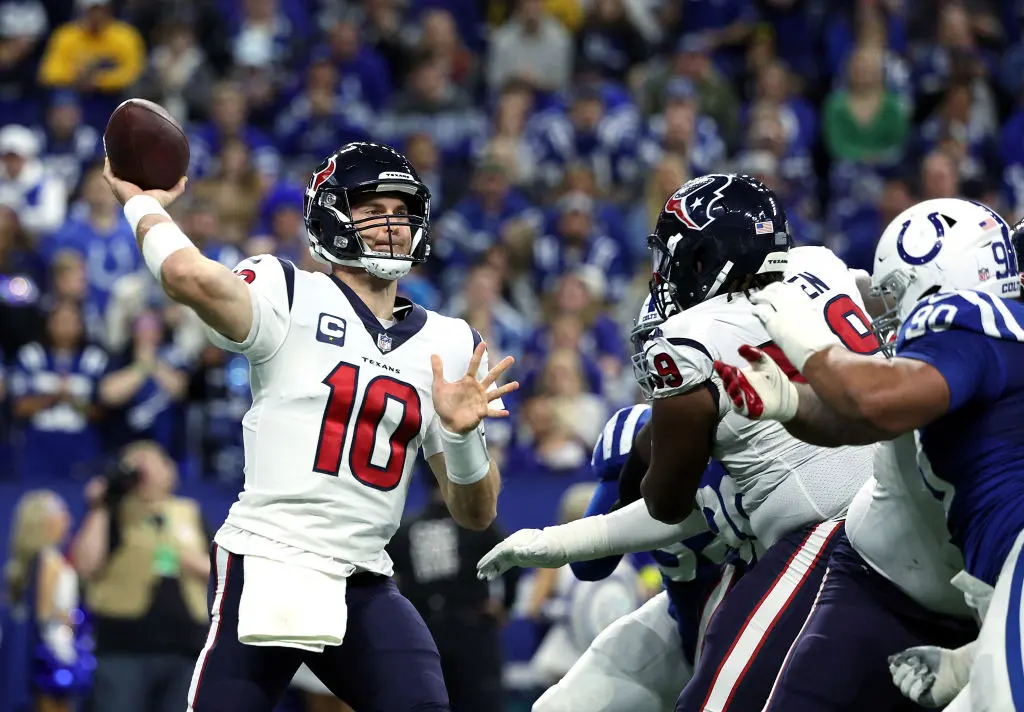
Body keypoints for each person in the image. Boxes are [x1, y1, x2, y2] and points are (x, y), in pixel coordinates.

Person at [101, 140, 517, 712]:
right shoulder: (287, 290)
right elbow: (186, 277)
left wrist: (465, 437)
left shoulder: (448, 343)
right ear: (333, 215)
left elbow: (476, 513)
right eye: (373, 210)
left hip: (363, 575)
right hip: (269, 558)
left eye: (400, 210)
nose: (391, 225)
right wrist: (143, 204)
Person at [714, 198, 1024, 711]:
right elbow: (872, 415)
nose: (892, 311)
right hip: (970, 590)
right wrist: (793, 400)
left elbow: (877, 400)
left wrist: (811, 347)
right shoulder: (992, 348)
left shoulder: (979, 321)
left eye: (898, 293)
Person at [635, 174, 874, 712]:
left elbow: (665, 502)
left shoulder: (689, 339)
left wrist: (643, 445)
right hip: (899, 494)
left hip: (826, 538)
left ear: (705, 258)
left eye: (680, 254)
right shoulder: (823, 265)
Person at [479, 394, 757, 712]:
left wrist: (553, 542)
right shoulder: (637, 470)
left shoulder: (722, 477)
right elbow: (592, 562)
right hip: (680, 614)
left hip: (746, 608)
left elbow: (646, 526)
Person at [71, 441, 210, 712]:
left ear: (170, 471)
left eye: (150, 461)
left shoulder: (190, 512)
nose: (143, 469)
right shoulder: (113, 512)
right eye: (134, 463)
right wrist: (100, 506)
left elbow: (218, 570)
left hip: (186, 648)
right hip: (124, 649)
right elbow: (85, 566)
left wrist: (185, 558)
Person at [388, 471, 518, 712]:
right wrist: (506, 605)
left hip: (422, 634)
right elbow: (513, 557)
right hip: (472, 631)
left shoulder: (405, 529)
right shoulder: (477, 523)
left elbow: (383, 576)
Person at [0, 490, 91, 712]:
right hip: (53, 653)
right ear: (46, 522)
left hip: (47, 651)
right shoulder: (48, 562)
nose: (68, 519)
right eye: (62, 514)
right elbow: (43, 612)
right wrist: (72, 619)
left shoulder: (33, 562)